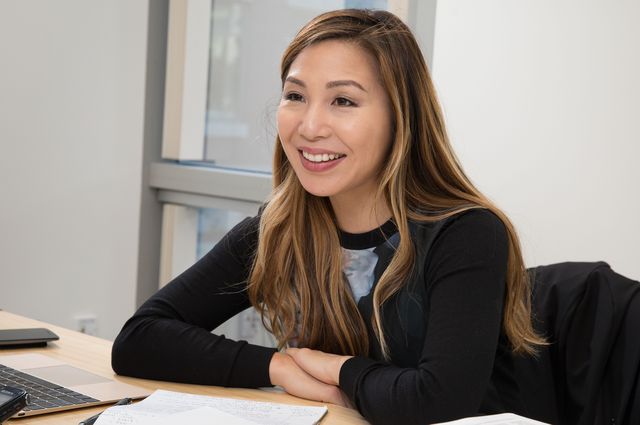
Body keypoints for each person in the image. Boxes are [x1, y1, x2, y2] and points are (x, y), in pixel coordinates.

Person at [112, 9, 545, 425]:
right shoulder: (281, 228)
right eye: (295, 96)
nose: (311, 125)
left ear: (401, 118)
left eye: (343, 100)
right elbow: (140, 339)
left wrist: (338, 371)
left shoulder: (465, 233)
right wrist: (278, 368)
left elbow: (439, 403)